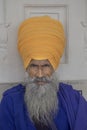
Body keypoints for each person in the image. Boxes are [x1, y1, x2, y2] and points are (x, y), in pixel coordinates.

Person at [0, 16, 87, 130]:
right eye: (34, 66)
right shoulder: (10, 101)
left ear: (54, 67)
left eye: (46, 66)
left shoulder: (74, 100)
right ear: (26, 67)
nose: (40, 74)